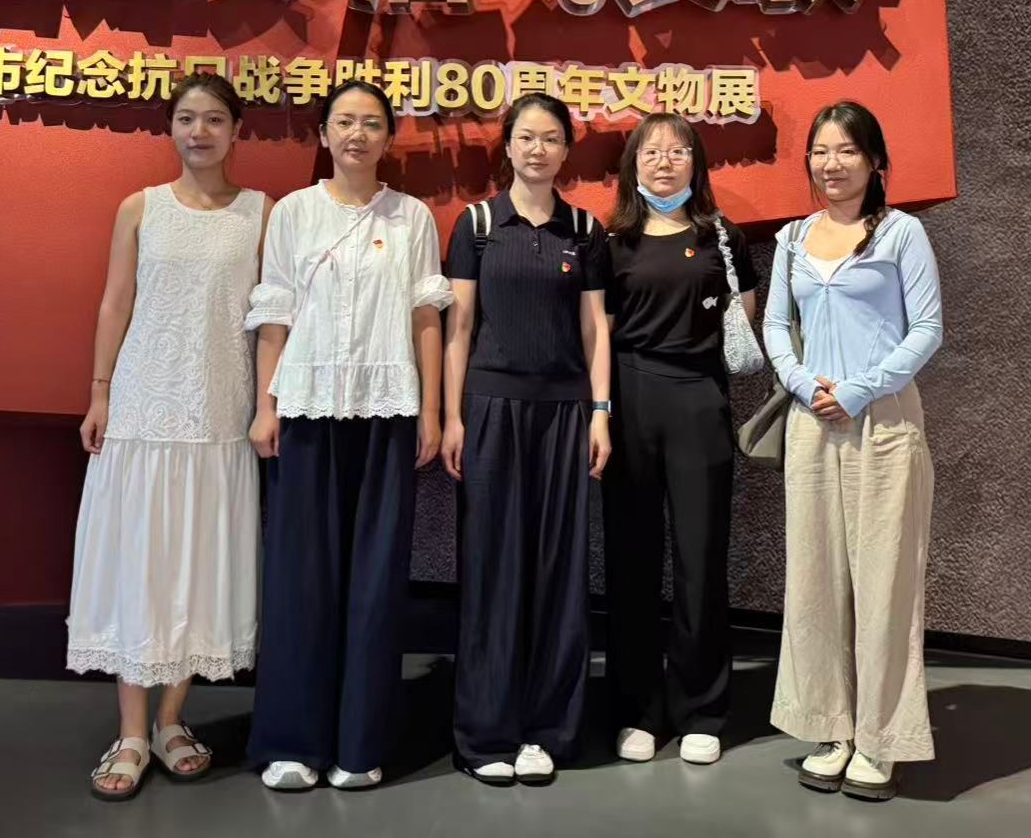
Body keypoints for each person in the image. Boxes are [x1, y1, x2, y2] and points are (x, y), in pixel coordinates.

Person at [244, 79, 452, 792]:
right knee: (300, 578)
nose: (357, 134)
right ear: (324, 134)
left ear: (388, 138)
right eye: (344, 122)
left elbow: (427, 318)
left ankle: (360, 745)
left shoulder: (412, 216)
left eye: (370, 124)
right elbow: (274, 313)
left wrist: (429, 412)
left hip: (387, 413)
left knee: (375, 582)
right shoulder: (294, 213)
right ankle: (292, 743)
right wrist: (266, 406)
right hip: (305, 410)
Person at [68, 72, 268, 802]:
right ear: (171, 128)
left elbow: (271, 317)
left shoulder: (261, 213)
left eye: (214, 119)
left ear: (236, 129)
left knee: (197, 568)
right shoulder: (140, 207)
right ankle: (130, 733)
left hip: (220, 416)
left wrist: (266, 403)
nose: (199, 131)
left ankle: (172, 721)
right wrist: (99, 393)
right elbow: (115, 302)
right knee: (140, 567)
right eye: (186, 118)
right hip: (142, 413)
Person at [763, 100, 941, 802]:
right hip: (813, 421)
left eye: (846, 151)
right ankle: (830, 728)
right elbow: (776, 326)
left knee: (885, 582)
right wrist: (805, 384)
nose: (831, 164)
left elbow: (927, 330)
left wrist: (862, 389)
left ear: (875, 162)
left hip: (885, 423)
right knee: (815, 579)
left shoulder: (901, 234)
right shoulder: (790, 240)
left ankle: (879, 738)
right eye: (820, 151)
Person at [441, 93, 612, 786]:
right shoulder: (478, 225)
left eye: (551, 139)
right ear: (507, 146)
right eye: (526, 138)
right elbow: (458, 329)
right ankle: (486, 735)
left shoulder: (586, 229)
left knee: (558, 572)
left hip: (566, 415)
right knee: (492, 567)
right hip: (490, 411)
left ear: (566, 150)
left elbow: (595, 330)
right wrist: (452, 417)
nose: (538, 150)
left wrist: (600, 413)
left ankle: (547, 730)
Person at [603, 112, 759, 767]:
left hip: (699, 398)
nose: (664, 162)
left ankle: (702, 709)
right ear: (633, 165)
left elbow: (743, 313)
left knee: (701, 558)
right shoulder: (612, 240)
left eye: (677, 151)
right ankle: (638, 709)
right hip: (629, 399)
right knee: (631, 559)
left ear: (696, 163)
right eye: (651, 152)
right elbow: (598, 329)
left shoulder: (722, 235)